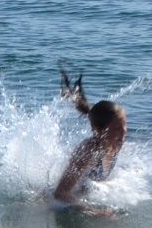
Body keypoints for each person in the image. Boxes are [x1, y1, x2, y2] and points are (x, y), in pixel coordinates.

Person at [52, 69, 128, 204]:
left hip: (80, 196)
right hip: (51, 202)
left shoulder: (114, 145)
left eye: (124, 125)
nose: (123, 131)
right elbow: (60, 193)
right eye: (116, 128)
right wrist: (92, 211)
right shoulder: (87, 151)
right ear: (98, 130)